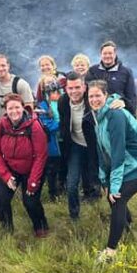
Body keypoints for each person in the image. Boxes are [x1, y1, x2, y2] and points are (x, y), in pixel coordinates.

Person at [88, 80, 137, 261]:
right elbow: (102, 151)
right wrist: (104, 180)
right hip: (133, 161)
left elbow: (118, 153)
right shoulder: (98, 116)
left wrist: (114, 186)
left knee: (117, 198)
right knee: (113, 194)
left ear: (106, 95)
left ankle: (111, 251)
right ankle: (126, 227)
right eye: (91, 96)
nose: (94, 99)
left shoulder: (115, 115)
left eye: (98, 95)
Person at [0, 93, 50, 237]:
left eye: (17, 107)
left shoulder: (33, 126)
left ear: (23, 107)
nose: (14, 111)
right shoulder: (2, 125)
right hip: (10, 168)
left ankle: (41, 227)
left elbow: (41, 156)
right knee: (1, 198)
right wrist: (5, 175)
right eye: (10, 108)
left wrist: (33, 181)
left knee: (30, 201)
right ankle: (6, 230)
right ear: (5, 110)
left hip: (32, 168)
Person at [57, 72, 101, 220]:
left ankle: (121, 215)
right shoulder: (63, 102)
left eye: (77, 87)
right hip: (75, 145)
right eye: (70, 88)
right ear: (66, 89)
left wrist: (118, 101)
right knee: (71, 184)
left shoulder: (91, 99)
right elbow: (64, 125)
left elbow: (108, 97)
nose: (74, 91)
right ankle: (74, 216)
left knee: (103, 180)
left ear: (84, 87)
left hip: (95, 145)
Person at [86, 41, 137, 115]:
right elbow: (86, 93)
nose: (107, 56)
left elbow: (132, 97)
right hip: (96, 113)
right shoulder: (93, 70)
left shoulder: (126, 72)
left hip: (117, 113)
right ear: (101, 54)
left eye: (110, 53)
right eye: (105, 53)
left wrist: (124, 102)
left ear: (115, 54)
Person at [36, 75, 64, 200]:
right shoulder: (42, 107)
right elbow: (46, 126)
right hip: (51, 144)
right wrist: (61, 123)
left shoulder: (63, 103)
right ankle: (52, 193)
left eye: (58, 91)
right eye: (53, 92)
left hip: (63, 141)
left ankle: (61, 189)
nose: (57, 94)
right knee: (50, 170)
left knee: (61, 167)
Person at [0, 54, 35, 119]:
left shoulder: (20, 84)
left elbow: (29, 109)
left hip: (18, 124)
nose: (0, 68)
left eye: (3, 65)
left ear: (8, 66)